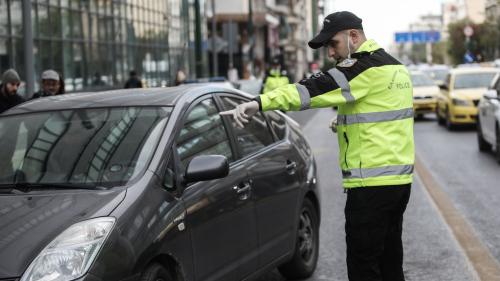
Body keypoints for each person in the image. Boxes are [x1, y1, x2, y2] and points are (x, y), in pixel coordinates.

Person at [221, 11, 414, 281]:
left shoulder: (362, 68)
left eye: (333, 44)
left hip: (370, 187)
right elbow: (387, 114)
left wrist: (259, 103)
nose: (331, 54)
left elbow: (310, 91)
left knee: (364, 266)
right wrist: (346, 121)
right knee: (390, 260)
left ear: (354, 36)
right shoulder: (395, 67)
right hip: (398, 183)